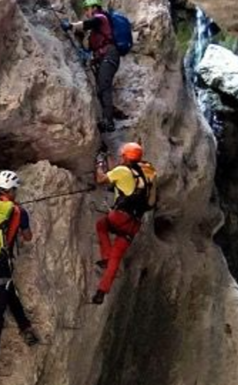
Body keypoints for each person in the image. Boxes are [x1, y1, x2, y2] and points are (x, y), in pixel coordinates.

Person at [0, 170, 40, 377]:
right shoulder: (18, 211)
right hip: (1, 264)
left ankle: (25, 327)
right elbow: (28, 237)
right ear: (11, 191)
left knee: (7, 289)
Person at [91, 141, 157, 304]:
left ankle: (105, 257)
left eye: (123, 155)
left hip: (119, 217)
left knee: (101, 225)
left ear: (126, 157)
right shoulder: (143, 173)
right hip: (134, 223)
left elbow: (101, 179)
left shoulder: (122, 170)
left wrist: (100, 162)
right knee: (117, 256)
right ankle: (101, 292)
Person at [70, 0, 120, 133]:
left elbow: (88, 24)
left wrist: (71, 26)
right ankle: (107, 117)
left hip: (109, 55)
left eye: (87, 9)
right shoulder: (97, 28)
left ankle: (109, 122)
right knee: (101, 88)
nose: (86, 12)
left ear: (94, 7)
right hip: (104, 58)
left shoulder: (100, 17)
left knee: (104, 87)